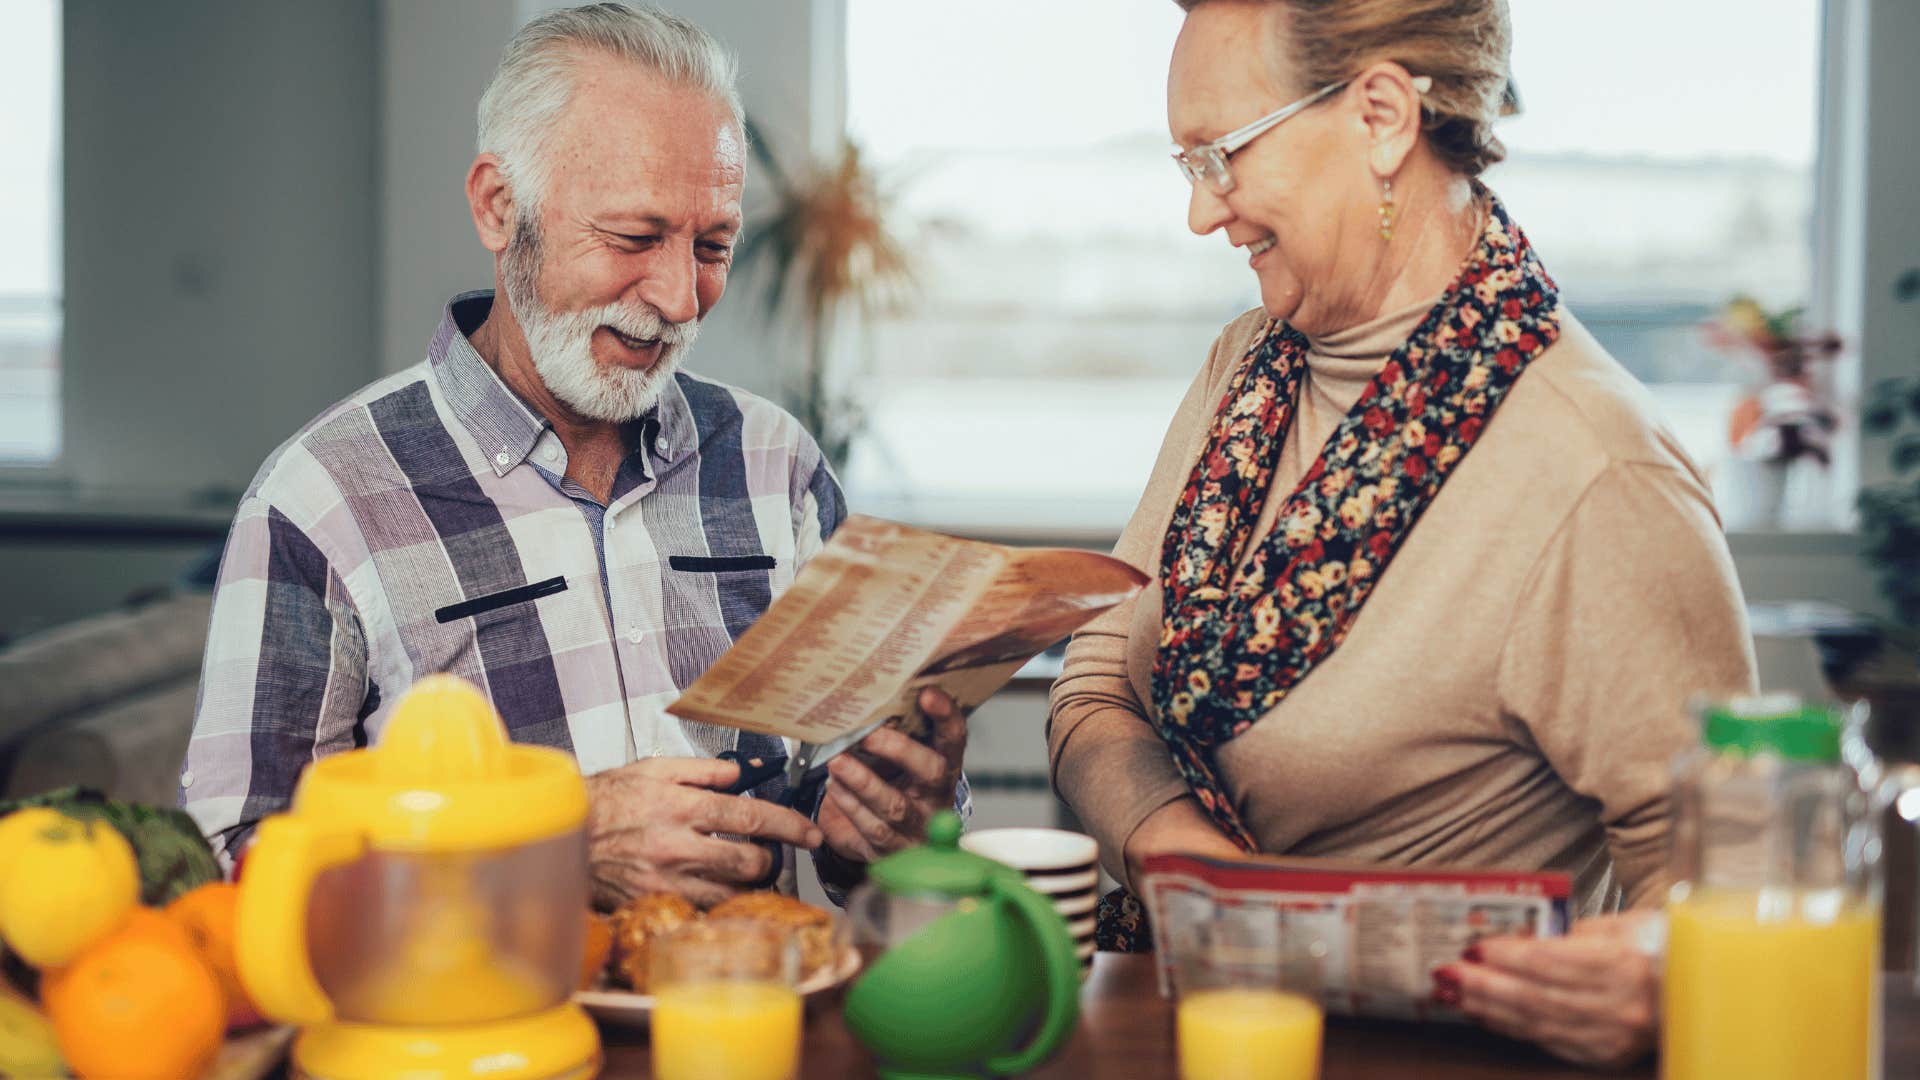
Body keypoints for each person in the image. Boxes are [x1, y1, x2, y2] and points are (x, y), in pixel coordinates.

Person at [1046, 0, 1754, 1067]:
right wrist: (1182, 861)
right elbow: (1099, 674)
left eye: (1222, 157)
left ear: (1381, 115)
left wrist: (1666, 970)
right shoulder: (1248, 367)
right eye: (1185, 163)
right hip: (1189, 1026)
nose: (1203, 214)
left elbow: (1738, 889)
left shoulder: (1600, 473)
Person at [180, 3, 966, 909]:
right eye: (634, 238)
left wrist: (896, 817)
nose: (679, 299)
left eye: (713, 246)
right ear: (498, 206)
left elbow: (854, 822)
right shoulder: (320, 500)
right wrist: (549, 843)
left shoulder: (774, 461)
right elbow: (234, 872)